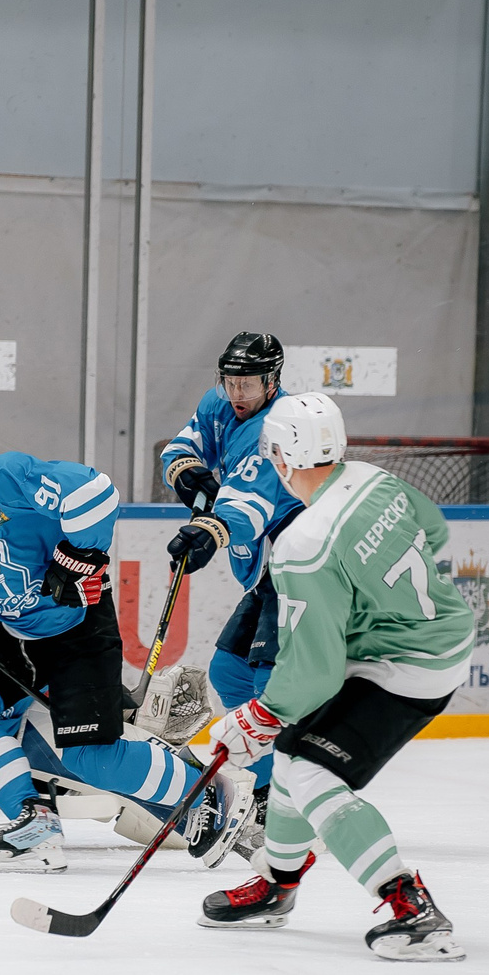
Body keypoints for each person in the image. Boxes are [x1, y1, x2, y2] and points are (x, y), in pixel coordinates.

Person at [0, 399, 253, 873]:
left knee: (91, 759)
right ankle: (35, 823)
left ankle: (207, 793)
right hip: (12, 632)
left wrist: (82, 554)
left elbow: (95, 491)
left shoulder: (7, 476)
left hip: (79, 626)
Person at [198, 393, 472, 961]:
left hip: (405, 666)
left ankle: (410, 906)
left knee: (309, 769)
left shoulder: (304, 543)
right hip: (438, 636)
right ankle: (277, 885)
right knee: (293, 755)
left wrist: (260, 716)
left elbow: (316, 668)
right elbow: (434, 530)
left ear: (281, 455)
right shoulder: (375, 479)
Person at [158, 332, 305, 841]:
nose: (237, 392)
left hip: (301, 565)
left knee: (270, 683)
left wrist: (210, 529)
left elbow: (249, 505)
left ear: (273, 381)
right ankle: (262, 792)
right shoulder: (218, 403)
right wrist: (186, 472)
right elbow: (182, 445)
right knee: (230, 670)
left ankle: (293, 801)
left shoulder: (280, 426)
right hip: (267, 571)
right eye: (230, 381)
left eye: (249, 383)